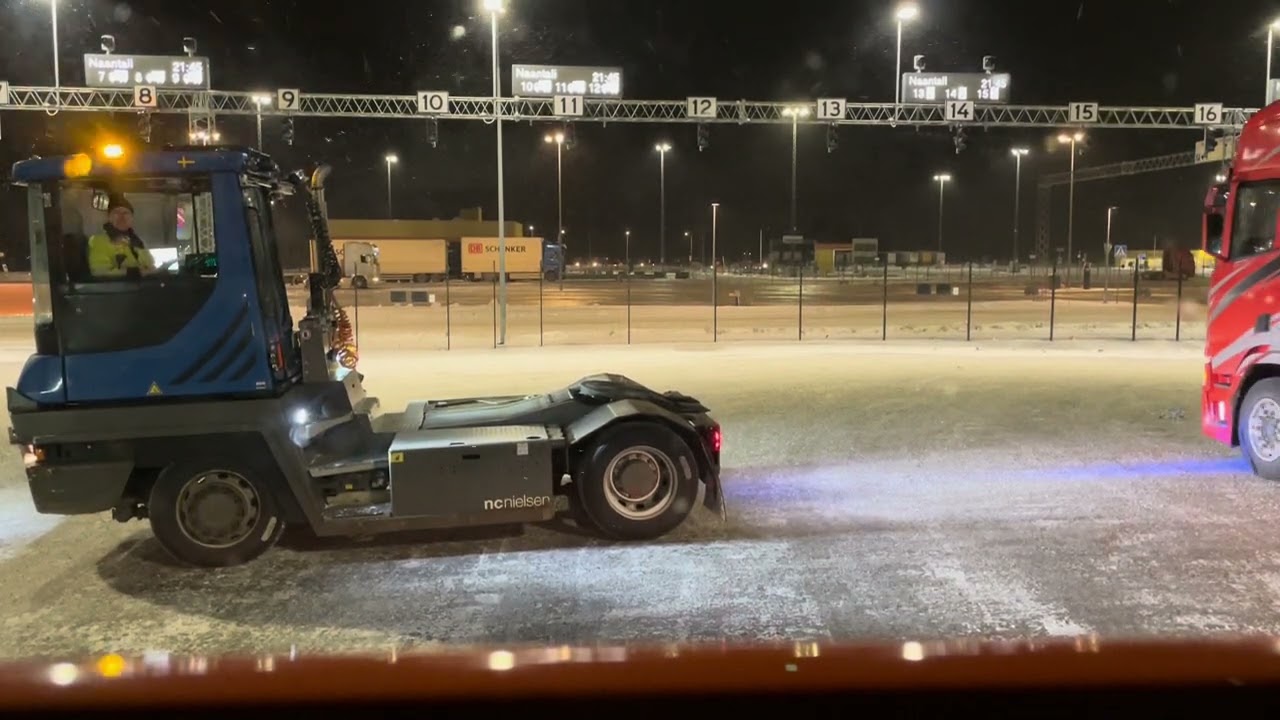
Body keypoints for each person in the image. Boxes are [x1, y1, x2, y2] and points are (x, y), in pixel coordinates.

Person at [87, 194, 155, 279]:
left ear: (131, 219)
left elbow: (150, 266)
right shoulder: (98, 241)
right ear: (109, 218)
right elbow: (100, 271)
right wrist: (133, 272)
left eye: (126, 213)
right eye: (116, 212)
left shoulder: (138, 242)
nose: (121, 217)